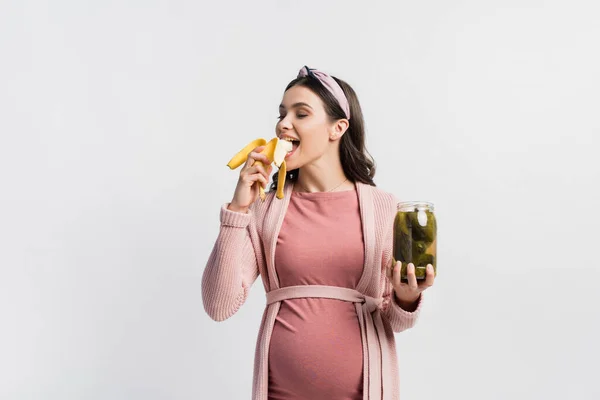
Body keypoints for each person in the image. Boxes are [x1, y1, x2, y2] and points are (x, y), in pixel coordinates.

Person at [202, 66, 436, 400]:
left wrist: (406, 297)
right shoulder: (264, 208)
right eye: (282, 114)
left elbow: (397, 321)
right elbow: (218, 305)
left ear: (337, 128)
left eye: (301, 113)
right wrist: (237, 211)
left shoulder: (385, 208)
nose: (283, 124)